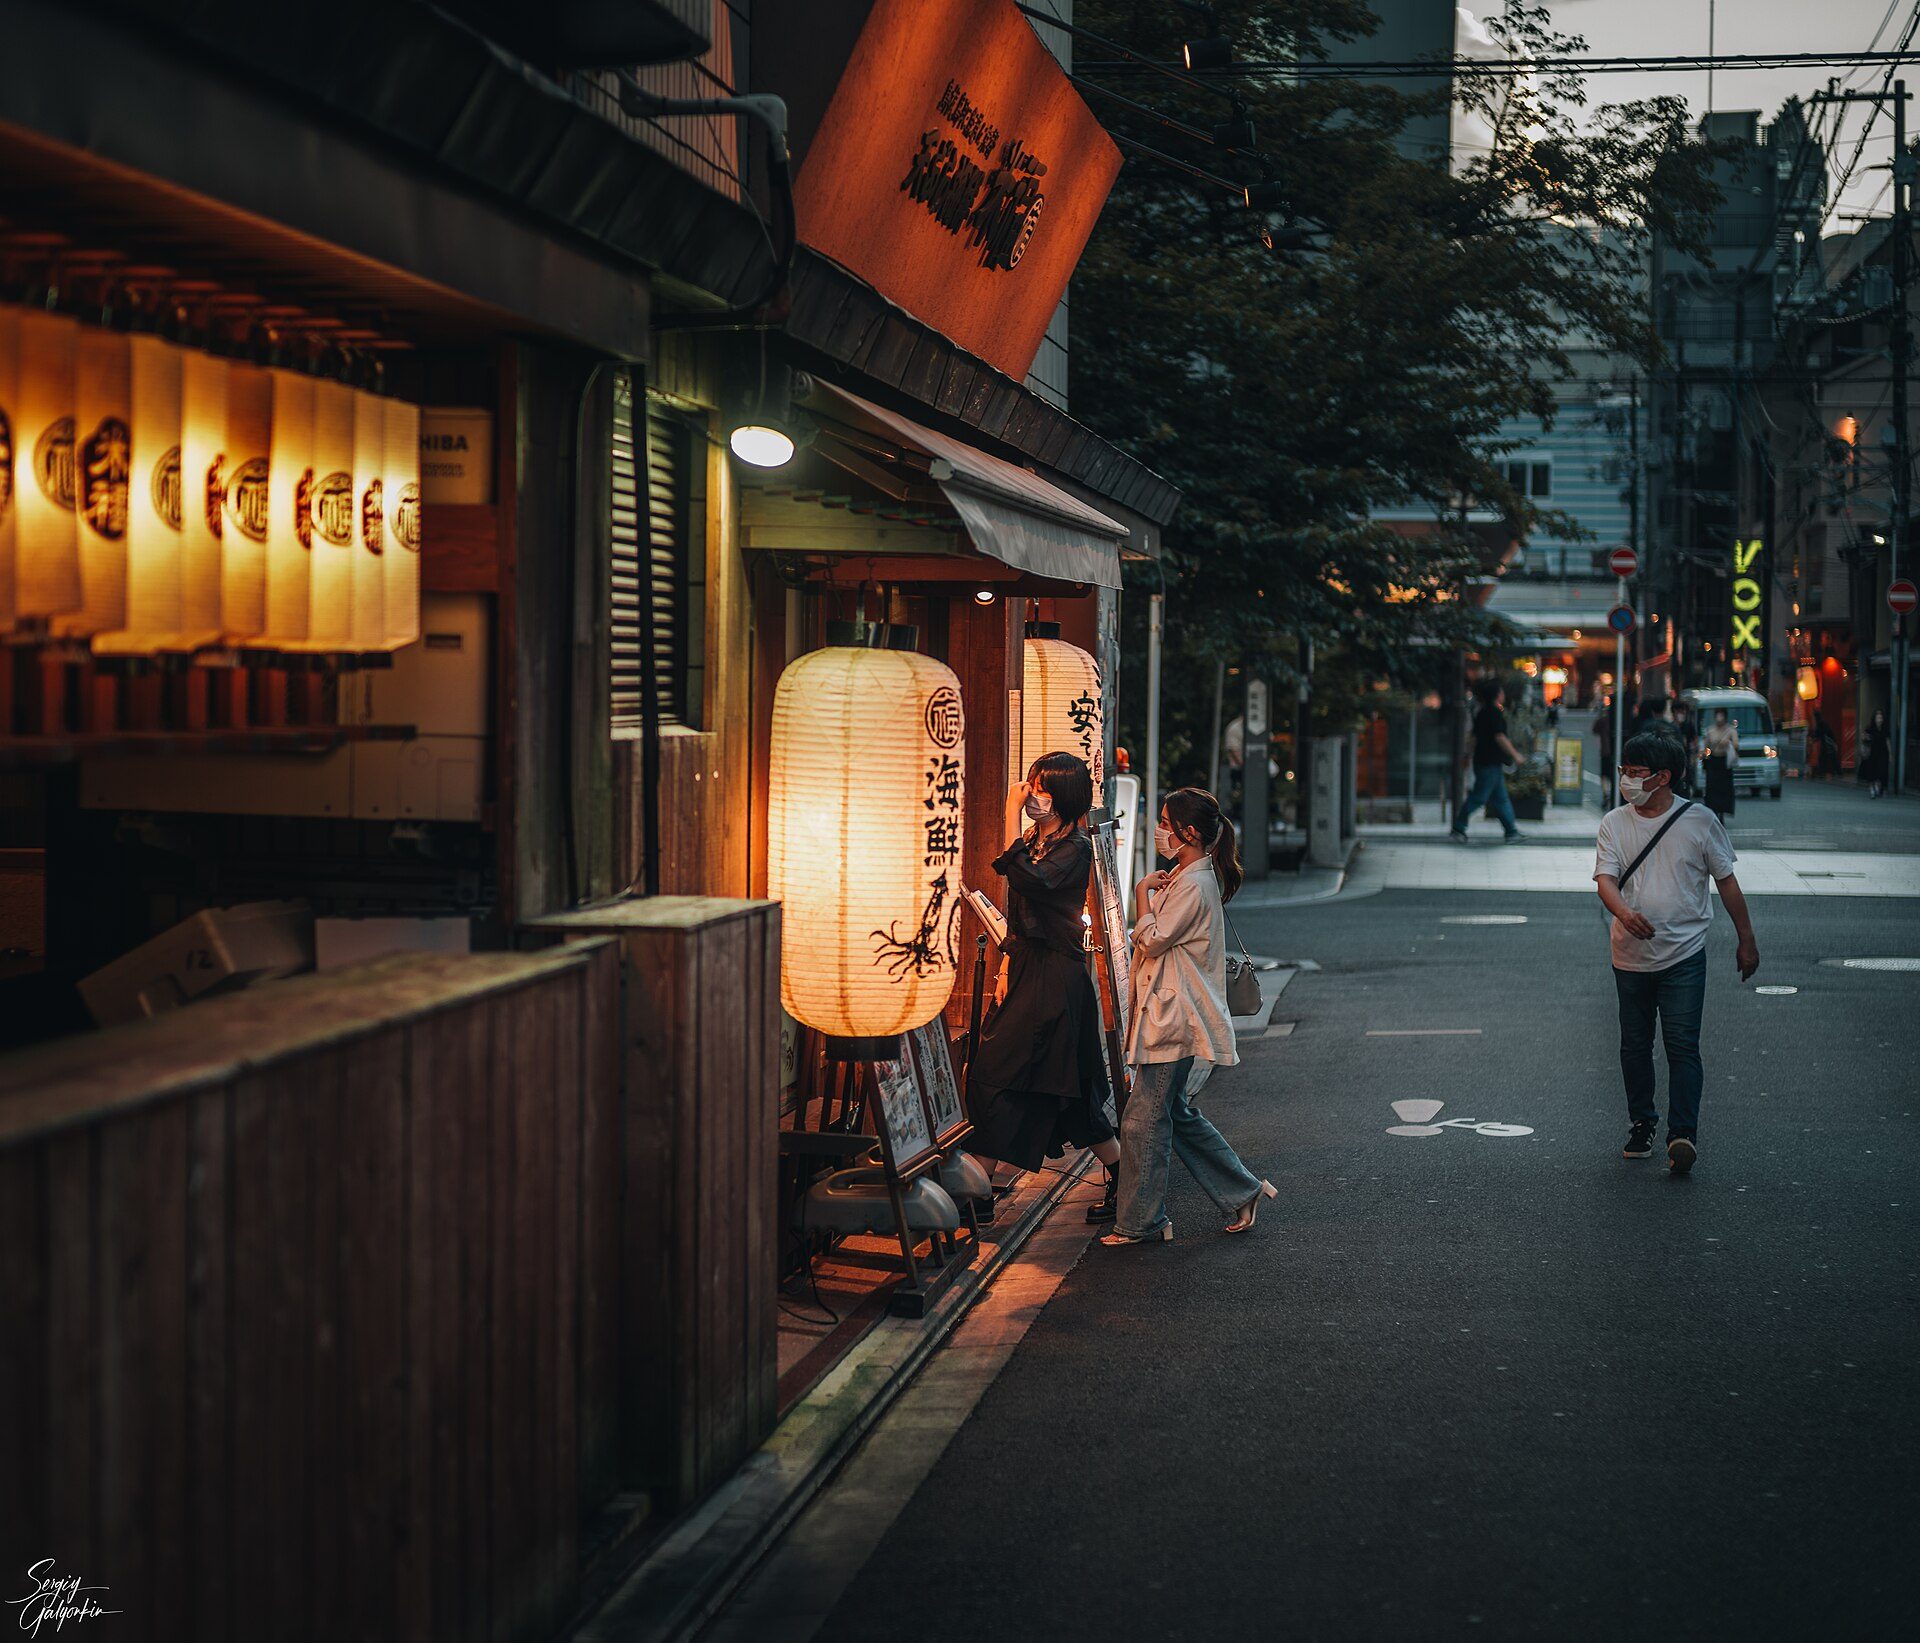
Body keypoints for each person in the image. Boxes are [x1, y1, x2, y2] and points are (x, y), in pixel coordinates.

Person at [1102, 787, 1275, 1245]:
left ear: (1189, 832)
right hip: (1172, 1013)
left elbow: (1152, 938)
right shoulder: (1190, 876)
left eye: (1165, 822)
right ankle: (1242, 1189)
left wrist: (1141, 892)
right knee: (1171, 1113)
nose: (1159, 829)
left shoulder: (1194, 884)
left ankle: (1141, 1221)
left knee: (1143, 1120)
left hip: (1172, 1018)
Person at [965, 752, 1123, 1222]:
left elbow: (1029, 880)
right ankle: (979, 1190)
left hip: (1057, 981)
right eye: (1032, 786)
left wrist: (1010, 814)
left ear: (1064, 798)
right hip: (1030, 971)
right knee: (1030, 1082)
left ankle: (1124, 1179)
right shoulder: (1040, 838)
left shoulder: (1074, 849)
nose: (1033, 794)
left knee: (1031, 1080)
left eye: (1041, 788)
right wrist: (1004, 973)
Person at [1594, 730, 1760, 1175]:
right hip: (1628, 956)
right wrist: (1625, 914)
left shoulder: (1700, 822)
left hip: (1684, 954)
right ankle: (1642, 1122)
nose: (1627, 780)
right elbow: (1605, 880)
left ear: (1663, 777)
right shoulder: (1614, 823)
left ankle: (1681, 1134)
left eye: (1636, 772)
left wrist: (1746, 939)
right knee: (1634, 1044)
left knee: (1682, 1045)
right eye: (1624, 771)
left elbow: (1726, 881)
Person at [1449, 677, 1527, 844]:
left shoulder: (1482, 713)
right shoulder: (1493, 713)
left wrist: (1467, 755)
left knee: (1500, 798)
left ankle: (1511, 831)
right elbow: (1500, 737)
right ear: (1496, 694)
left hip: (1484, 761)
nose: (1503, 694)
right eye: (1501, 691)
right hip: (1489, 762)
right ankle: (1458, 827)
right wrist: (1516, 755)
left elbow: (1473, 738)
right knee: (1479, 797)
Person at [1701, 706, 1739, 821]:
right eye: (1717, 714)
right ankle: (1714, 812)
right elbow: (1705, 748)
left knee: (1724, 789)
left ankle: (1722, 812)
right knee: (1712, 789)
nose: (1719, 717)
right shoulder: (1710, 730)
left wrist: (1728, 743)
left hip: (1725, 762)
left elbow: (1736, 745)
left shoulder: (1731, 730)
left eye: (1721, 714)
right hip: (1713, 761)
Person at [1858, 709, 1891, 799]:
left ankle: (1878, 787)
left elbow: (1887, 740)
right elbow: (1863, 736)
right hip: (1872, 753)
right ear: (1874, 719)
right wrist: (1865, 737)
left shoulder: (1885, 729)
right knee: (1871, 771)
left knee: (1881, 771)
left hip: (1882, 752)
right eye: (1878, 718)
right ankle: (1872, 789)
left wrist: (1890, 754)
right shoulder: (1870, 728)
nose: (1880, 720)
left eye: (1881, 718)